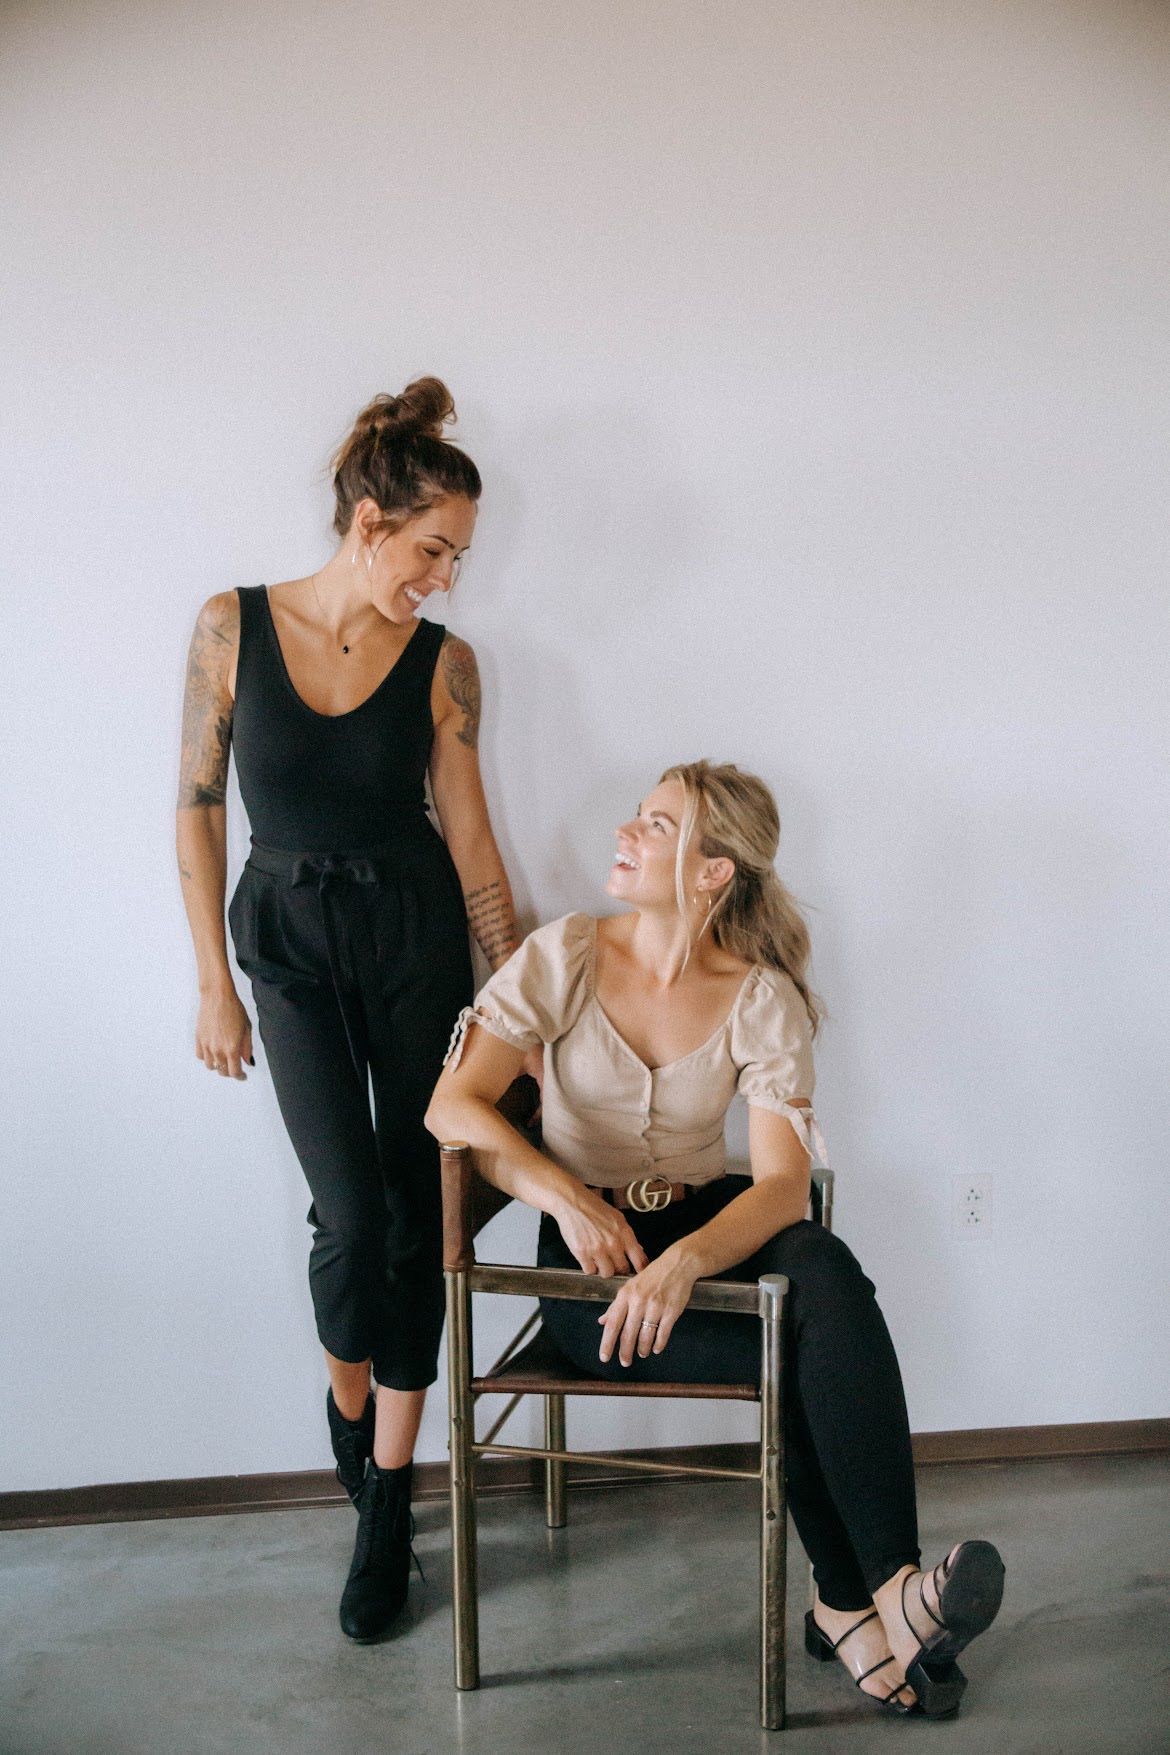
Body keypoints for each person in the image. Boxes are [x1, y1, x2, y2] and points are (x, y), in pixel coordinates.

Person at [425, 760, 1005, 1717]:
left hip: (707, 1228)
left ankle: (876, 1595)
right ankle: (866, 1603)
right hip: (590, 1267)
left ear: (710, 870)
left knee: (819, 1267)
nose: (627, 831)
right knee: (805, 1344)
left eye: (656, 825)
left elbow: (780, 1184)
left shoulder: (761, 995)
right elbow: (456, 1105)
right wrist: (565, 1196)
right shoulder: (564, 954)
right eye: (641, 817)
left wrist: (690, 1256)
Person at [176, 378, 526, 1642]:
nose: (445, 577)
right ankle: (350, 1414)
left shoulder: (446, 666)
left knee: (413, 1220)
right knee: (346, 1218)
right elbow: (196, 805)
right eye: (435, 549)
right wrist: (214, 978)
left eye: (460, 558)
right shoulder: (231, 626)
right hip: (285, 944)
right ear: (370, 520)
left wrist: (524, 997)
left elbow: (476, 845)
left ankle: (387, 1496)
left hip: (416, 939)